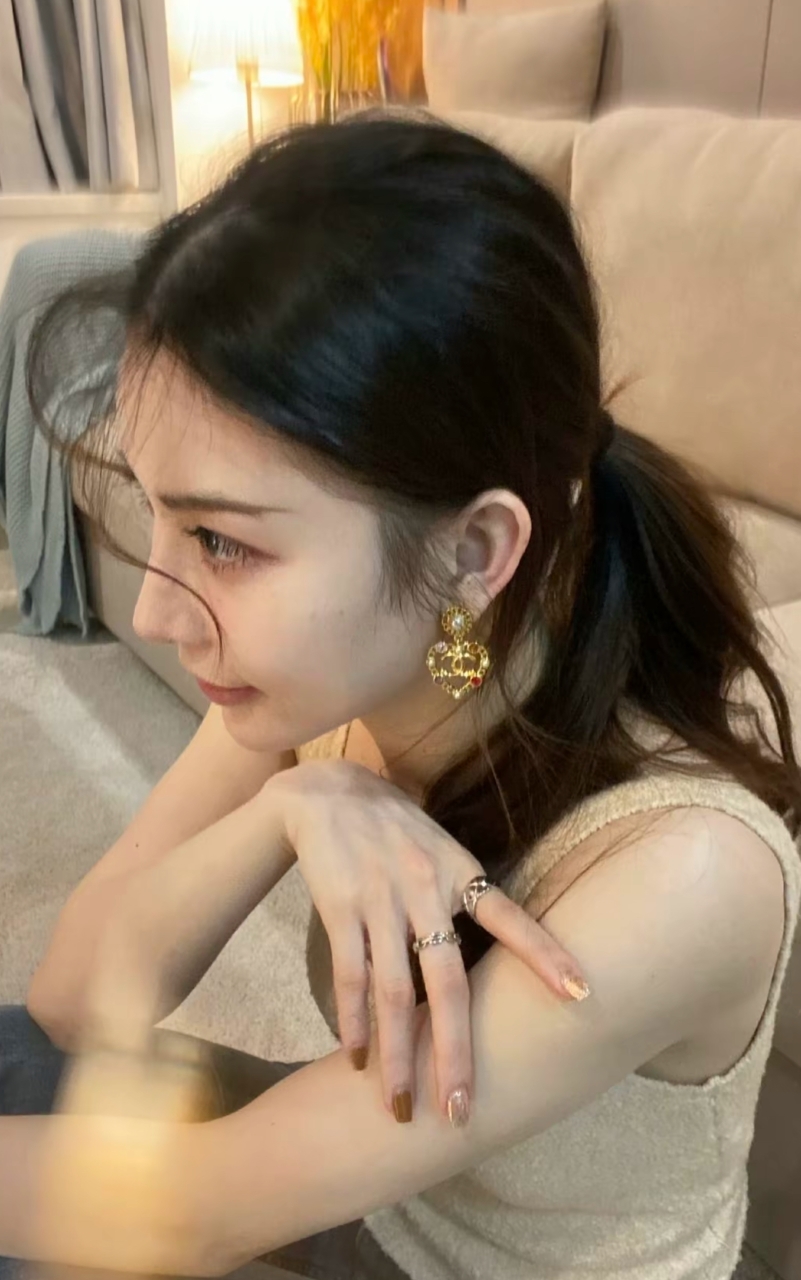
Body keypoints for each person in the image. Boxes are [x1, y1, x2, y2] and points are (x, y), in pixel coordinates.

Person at [1, 108, 799, 1280]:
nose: (163, 612)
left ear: (474, 552)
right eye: (160, 515)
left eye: (222, 540)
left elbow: (194, 1210)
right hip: (381, 1209)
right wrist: (297, 802)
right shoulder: (371, 677)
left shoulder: (687, 870)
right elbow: (74, 1001)